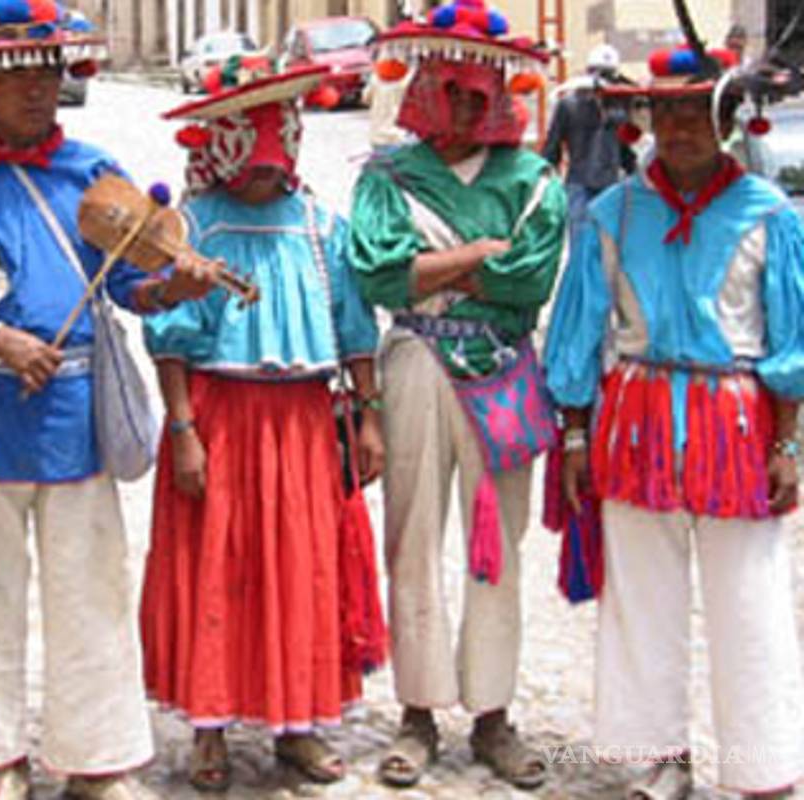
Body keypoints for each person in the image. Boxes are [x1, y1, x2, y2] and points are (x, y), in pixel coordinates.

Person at [0, 2, 218, 798]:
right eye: (15, 76)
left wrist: (176, 281)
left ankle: (95, 757)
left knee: (89, 581)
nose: (36, 88)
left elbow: (136, 285)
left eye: (47, 72)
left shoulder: (94, 176)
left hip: (75, 397)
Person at [544, 45, 804, 800]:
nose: (681, 127)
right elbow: (577, 334)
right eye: (667, 111)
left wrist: (788, 442)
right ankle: (652, 755)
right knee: (640, 594)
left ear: (726, 120)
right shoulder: (614, 214)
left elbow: (791, 340)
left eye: (698, 111)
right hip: (636, 422)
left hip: (736, 424)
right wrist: (575, 435)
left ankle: (765, 764)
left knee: (749, 597)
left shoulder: (768, 216)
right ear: (645, 120)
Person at [141, 63, 385, 792]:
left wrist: (369, 419)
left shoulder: (319, 227)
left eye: (274, 160)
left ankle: (297, 722)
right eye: (250, 161)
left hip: (305, 422)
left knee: (302, 568)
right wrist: (182, 429)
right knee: (217, 565)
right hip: (220, 418)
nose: (261, 176)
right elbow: (174, 338)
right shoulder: (197, 228)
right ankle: (210, 724)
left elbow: (354, 331)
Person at [347, 0, 567, 789]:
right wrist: (478, 254)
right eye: (453, 94)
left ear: (501, 95)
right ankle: (418, 707)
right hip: (415, 362)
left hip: (503, 365)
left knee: (497, 543)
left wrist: (432, 270)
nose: (468, 110)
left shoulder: (532, 178)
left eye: (481, 96)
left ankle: (493, 710)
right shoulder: (388, 176)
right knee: (410, 533)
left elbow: (531, 277)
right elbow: (375, 271)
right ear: (427, 90)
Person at [542, 44, 636, 243]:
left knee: (610, 242)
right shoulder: (569, 104)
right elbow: (552, 147)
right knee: (581, 241)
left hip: (610, 183)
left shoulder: (619, 107)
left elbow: (625, 147)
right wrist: (545, 184)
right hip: (579, 184)